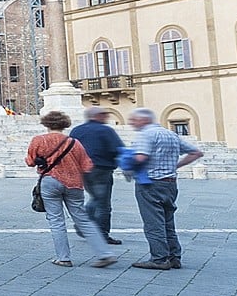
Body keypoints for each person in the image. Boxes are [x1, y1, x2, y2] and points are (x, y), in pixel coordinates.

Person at [27, 110, 116, 268]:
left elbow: (30, 161)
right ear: (65, 124)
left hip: (50, 181)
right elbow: (87, 165)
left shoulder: (39, 140)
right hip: (75, 184)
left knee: (56, 220)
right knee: (82, 219)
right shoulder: (75, 143)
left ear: (46, 124)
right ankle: (104, 253)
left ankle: (64, 258)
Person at [124, 107, 203, 269]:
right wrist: (176, 165)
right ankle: (175, 257)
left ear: (144, 120)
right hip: (170, 183)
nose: (131, 123)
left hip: (150, 183)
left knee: (153, 222)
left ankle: (159, 259)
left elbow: (141, 157)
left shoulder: (146, 135)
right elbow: (196, 153)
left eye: (134, 120)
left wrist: (127, 166)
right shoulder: (171, 134)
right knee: (168, 221)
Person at [67, 106, 126, 247]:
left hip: (83, 170)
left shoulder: (77, 130)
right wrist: (126, 166)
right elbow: (117, 149)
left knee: (95, 197)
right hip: (102, 169)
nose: (106, 117)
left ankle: (83, 224)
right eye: (104, 114)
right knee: (103, 202)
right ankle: (101, 233)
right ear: (97, 116)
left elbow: (70, 149)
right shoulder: (105, 130)